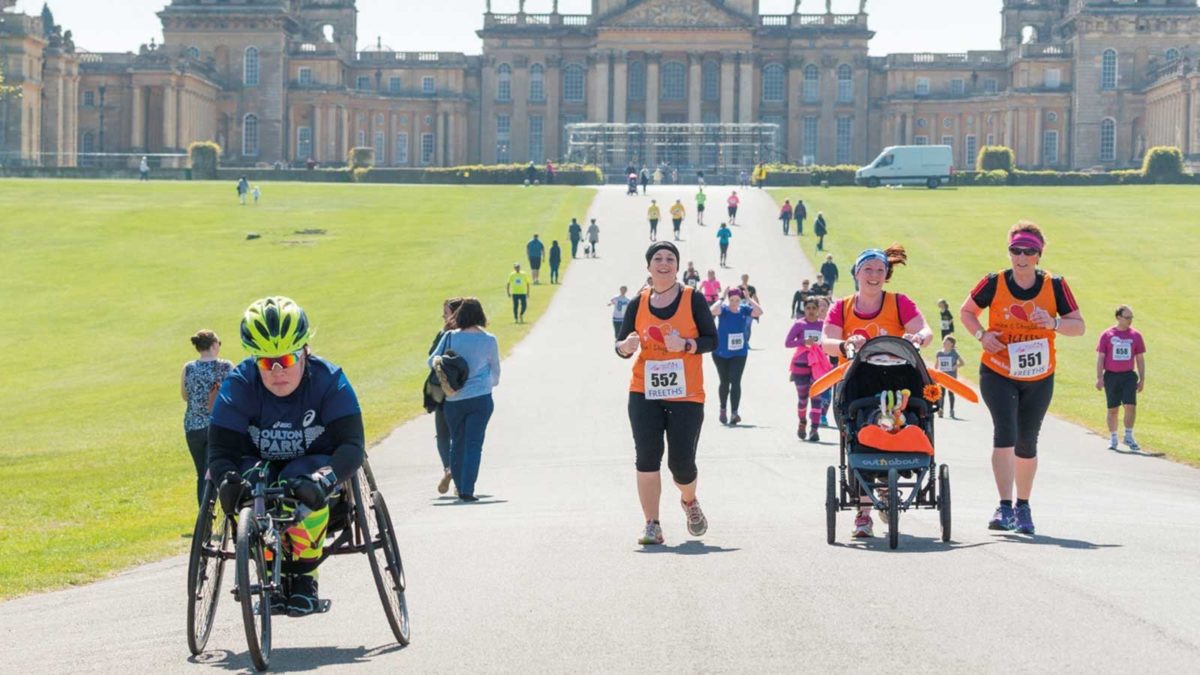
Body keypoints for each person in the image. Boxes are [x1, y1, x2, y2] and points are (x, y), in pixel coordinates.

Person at [209, 296, 364, 616]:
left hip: (314, 459)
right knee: (253, 491)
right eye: (266, 363)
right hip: (257, 463)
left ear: (304, 350)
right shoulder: (238, 385)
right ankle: (269, 575)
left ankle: (305, 578)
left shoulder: (330, 381)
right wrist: (227, 481)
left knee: (304, 486)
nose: (277, 371)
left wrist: (327, 479)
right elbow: (221, 450)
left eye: (287, 360)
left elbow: (352, 445)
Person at [959, 221, 1085, 535]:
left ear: (1039, 255)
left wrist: (1053, 324)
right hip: (998, 370)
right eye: (1016, 250)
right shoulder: (994, 282)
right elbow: (966, 311)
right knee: (1006, 430)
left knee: (1027, 439)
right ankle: (1003, 506)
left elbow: (1078, 326)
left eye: (1029, 251)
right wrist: (981, 335)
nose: (1021, 256)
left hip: (1039, 375)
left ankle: (1023, 506)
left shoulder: (1055, 286)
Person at [821, 246, 933, 538]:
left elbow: (924, 331)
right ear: (857, 273)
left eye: (879, 271)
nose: (873, 276)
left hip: (898, 379)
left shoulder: (899, 302)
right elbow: (826, 341)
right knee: (858, 432)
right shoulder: (842, 307)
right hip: (857, 381)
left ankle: (885, 485)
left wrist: (916, 337)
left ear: (886, 274)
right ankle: (864, 510)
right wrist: (846, 343)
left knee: (900, 422)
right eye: (867, 270)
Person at [615, 242, 717, 545]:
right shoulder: (638, 303)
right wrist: (626, 347)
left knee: (681, 464)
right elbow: (621, 344)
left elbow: (712, 339)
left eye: (670, 259)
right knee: (646, 457)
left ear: (677, 266)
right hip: (643, 390)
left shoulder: (693, 299)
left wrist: (686, 345)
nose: (664, 263)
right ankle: (652, 524)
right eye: (657, 259)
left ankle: (689, 501)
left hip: (686, 393)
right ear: (648, 267)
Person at [428, 298, 501, 501]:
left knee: (457, 443)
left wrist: (449, 368)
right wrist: (487, 384)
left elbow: (430, 361)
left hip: (454, 399)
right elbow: (495, 371)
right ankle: (467, 489)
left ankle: (459, 486)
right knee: (474, 443)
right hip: (480, 398)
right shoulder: (489, 340)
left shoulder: (450, 337)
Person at [181, 330, 233, 505]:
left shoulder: (188, 368)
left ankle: (203, 520)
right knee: (212, 474)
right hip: (217, 426)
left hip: (193, 427)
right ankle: (211, 518)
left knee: (201, 474)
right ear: (213, 345)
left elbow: (185, 396)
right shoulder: (225, 366)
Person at [425, 298, 465, 494]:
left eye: (446, 312)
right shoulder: (472, 334)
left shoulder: (445, 335)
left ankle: (448, 469)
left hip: (443, 391)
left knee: (442, 435)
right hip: (464, 392)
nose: (443, 316)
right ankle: (460, 479)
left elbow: (431, 357)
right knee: (461, 437)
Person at [1096, 305, 1146, 451]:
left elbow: (1140, 359)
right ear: (1118, 318)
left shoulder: (1136, 336)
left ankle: (1129, 436)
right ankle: (1113, 438)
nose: (1130, 320)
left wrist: (1142, 379)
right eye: (1127, 317)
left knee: (1130, 406)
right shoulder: (1107, 335)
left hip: (1129, 376)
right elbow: (1100, 358)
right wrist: (1099, 377)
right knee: (1113, 409)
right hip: (1111, 376)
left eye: (1131, 317)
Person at [711, 288, 763, 425]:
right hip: (720, 352)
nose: (734, 303)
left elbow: (759, 312)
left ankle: (734, 413)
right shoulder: (723, 309)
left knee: (736, 381)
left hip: (739, 352)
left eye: (737, 300)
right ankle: (723, 408)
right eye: (732, 300)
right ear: (728, 299)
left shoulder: (744, 309)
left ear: (741, 300)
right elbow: (712, 311)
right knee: (724, 381)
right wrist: (721, 297)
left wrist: (749, 298)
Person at [785, 297, 829, 441]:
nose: (811, 311)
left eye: (813, 308)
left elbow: (828, 343)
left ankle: (814, 430)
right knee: (803, 399)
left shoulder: (823, 325)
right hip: (801, 365)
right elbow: (788, 343)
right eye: (808, 308)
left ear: (818, 310)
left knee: (817, 398)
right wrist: (804, 342)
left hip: (817, 365)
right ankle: (803, 422)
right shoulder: (799, 324)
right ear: (804, 309)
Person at [933, 335, 965, 419]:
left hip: (951, 377)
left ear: (952, 344)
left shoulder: (954, 353)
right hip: (942, 377)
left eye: (947, 343)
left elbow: (962, 363)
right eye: (944, 342)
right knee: (941, 395)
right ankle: (941, 410)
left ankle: (951, 410)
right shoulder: (939, 353)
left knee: (951, 394)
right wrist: (935, 374)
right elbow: (936, 366)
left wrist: (954, 367)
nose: (945, 344)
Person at [737, 273, 760, 344]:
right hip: (740, 309)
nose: (745, 279)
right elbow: (735, 298)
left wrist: (757, 306)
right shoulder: (738, 288)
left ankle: (746, 342)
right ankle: (741, 341)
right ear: (741, 279)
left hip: (749, 309)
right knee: (741, 326)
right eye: (744, 278)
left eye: (746, 278)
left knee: (748, 326)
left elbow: (755, 297)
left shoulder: (751, 288)